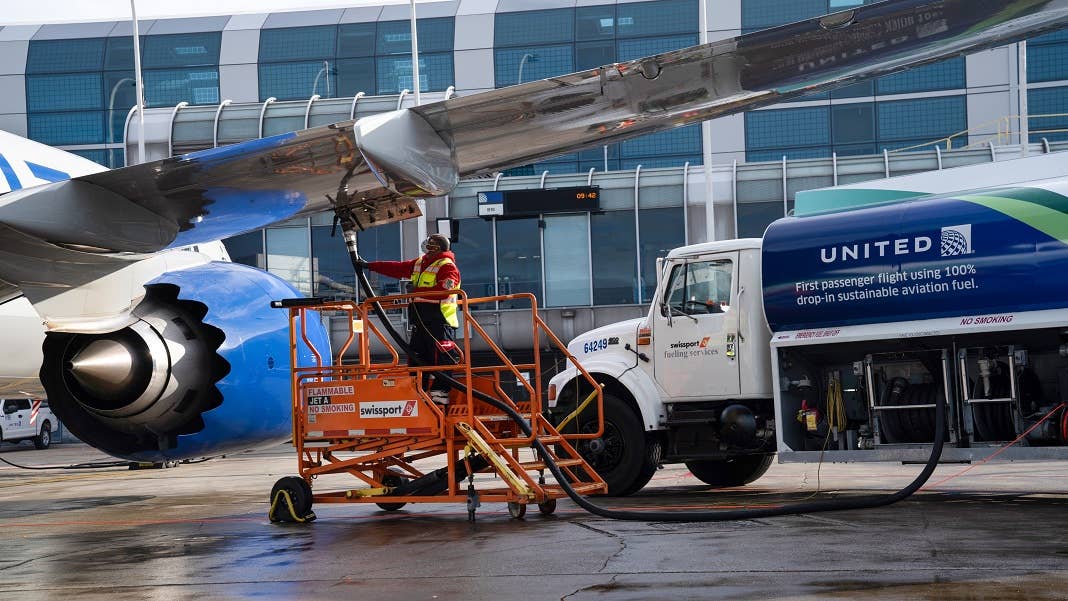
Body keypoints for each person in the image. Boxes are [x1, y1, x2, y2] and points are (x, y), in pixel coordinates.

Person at [357, 234, 461, 404]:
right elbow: (397, 268)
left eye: (429, 243)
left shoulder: (447, 267)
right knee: (417, 357)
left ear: (435, 248)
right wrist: (370, 266)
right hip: (420, 321)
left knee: (441, 357)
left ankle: (440, 393)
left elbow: (445, 290)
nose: (425, 245)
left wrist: (416, 290)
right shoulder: (421, 263)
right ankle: (417, 390)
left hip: (439, 321)